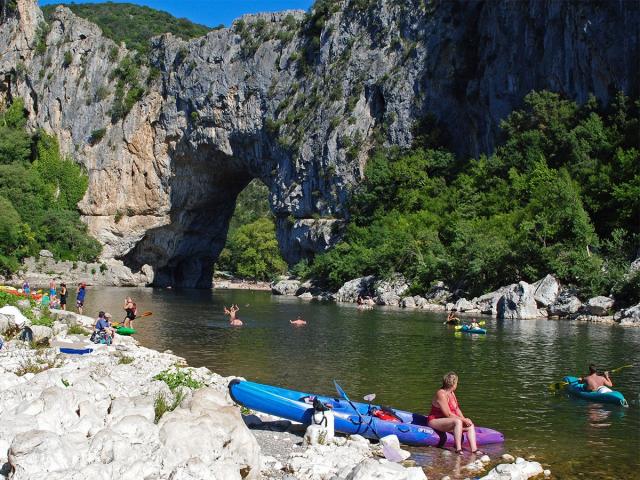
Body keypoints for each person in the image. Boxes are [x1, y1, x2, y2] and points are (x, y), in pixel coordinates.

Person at [427, 372, 483, 455]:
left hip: (447, 421)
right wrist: (462, 420)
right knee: (457, 421)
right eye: (457, 382)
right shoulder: (441, 394)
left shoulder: (451, 393)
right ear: (453, 384)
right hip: (435, 420)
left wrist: (465, 419)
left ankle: (474, 450)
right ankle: (458, 449)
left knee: (470, 424)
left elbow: (457, 409)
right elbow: (448, 414)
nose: (457, 384)